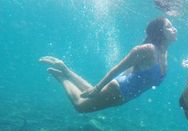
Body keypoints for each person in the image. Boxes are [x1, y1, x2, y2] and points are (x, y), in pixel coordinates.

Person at [39, 17, 177, 113]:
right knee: (81, 107)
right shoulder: (147, 50)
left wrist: (97, 89)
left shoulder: (163, 53)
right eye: (169, 27)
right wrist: (99, 88)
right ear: (159, 31)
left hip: (124, 94)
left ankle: (66, 70)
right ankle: (61, 76)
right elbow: (118, 68)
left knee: (90, 92)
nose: (174, 29)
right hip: (119, 90)